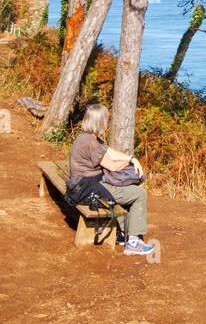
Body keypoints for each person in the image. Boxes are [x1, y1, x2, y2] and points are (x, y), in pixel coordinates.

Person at [66, 103, 153, 257]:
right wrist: (129, 163)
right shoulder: (91, 143)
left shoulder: (85, 137)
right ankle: (133, 242)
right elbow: (112, 166)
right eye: (106, 119)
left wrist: (131, 158)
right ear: (100, 122)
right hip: (86, 189)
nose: (107, 122)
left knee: (121, 190)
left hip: (80, 185)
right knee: (139, 194)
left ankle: (122, 234)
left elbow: (110, 152)